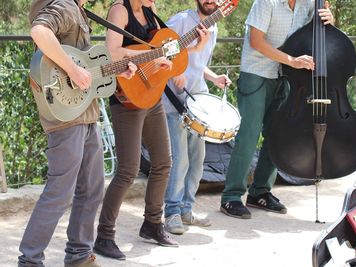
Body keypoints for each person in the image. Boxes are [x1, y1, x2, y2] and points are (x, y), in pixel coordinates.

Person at [19, 0, 136, 266]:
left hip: (85, 113)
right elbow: (40, 32)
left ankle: (80, 255)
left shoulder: (78, 9)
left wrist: (119, 72)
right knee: (60, 191)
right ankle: (30, 260)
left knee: (93, 188)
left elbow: (88, 71)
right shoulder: (65, 6)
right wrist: (72, 70)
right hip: (66, 117)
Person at [220, 0, 335, 219]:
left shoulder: (307, 4)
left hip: (285, 76)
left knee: (277, 136)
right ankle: (231, 197)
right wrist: (291, 60)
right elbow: (256, 41)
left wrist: (329, 16)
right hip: (256, 73)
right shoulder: (266, 2)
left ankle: (260, 192)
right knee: (248, 136)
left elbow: (322, 20)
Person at [93, 0, 189, 260]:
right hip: (127, 98)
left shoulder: (150, 13)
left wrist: (165, 61)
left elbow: (163, 50)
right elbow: (112, 53)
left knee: (163, 162)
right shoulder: (119, 10)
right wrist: (150, 55)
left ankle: (152, 224)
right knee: (127, 170)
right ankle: (104, 236)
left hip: (152, 95)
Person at [162, 0, 231, 234]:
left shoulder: (213, 27)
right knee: (179, 160)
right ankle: (171, 213)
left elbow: (199, 64)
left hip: (198, 101)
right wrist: (175, 70)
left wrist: (214, 78)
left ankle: (186, 210)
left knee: (197, 159)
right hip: (175, 100)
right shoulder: (180, 21)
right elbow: (159, 53)